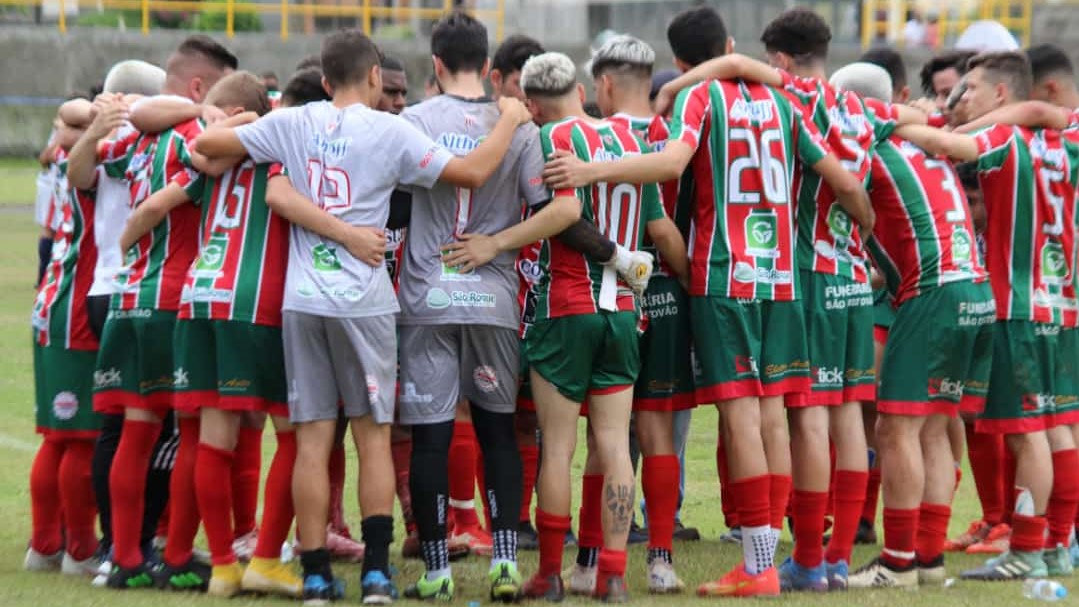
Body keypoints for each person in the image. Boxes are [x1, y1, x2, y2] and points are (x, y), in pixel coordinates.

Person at [194, 28, 534, 604]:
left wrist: (212, 115)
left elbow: (207, 149)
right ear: (376, 77)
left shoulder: (291, 122)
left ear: (324, 81)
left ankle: (319, 574)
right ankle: (376, 572)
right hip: (365, 299)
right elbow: (473, 173)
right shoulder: (392, 129)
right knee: (373, 439)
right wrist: (509, 120)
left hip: (304, 299)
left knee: (311, 441)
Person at [543, 5, 872, 596]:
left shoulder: (699, 100)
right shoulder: (786, 102)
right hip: (783, 282)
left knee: (709, 421)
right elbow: (843, 181)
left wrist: (591, 172)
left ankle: (752, 567)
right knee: (773, 417)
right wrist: (864, 229)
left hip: (717, 276)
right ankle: (774, 559)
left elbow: (671, 163)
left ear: (679, 63)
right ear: (726, 44)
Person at [652, 7, 924, 590]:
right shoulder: (856, 106)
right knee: (836, 415)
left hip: (790, 274)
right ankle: (828, 560)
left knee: (797, 419)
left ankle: (789, 560)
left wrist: (676, 87)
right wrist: (868, 238)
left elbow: (719, 87)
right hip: (830, 276)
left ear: (777, 59)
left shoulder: (793, 96)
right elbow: (895, 154)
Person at [444, 49, 678, 603]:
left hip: (565, 305)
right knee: (615, 445)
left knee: (558, 448)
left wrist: (494, 243)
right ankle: (612, 573)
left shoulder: (554, 138)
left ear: (530, 103)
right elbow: (654, 224)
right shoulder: (628, 142)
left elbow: (566, 213)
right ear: (581, 86)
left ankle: (551, 573)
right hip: (623, 308)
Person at [65, 34, 238, 591]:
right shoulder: (195, 135)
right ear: (200, 88)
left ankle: (125, 558)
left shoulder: (136, 138)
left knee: (135, 435)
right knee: (188, 436)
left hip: (127, 296)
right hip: (174, 300)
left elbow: (82, 170)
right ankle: (179, 553)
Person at [898, 50, 1079, 580]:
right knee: (1059, 427)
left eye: (968, 89)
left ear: (1001, 94)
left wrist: (894, 128)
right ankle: (1056, 544)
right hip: (1063, 305)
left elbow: (951, 146)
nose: (960, 99)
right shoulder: (1067, 141)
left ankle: (1026, 550)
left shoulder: (1006, 138)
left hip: (1017, 308)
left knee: (1027, 434)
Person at [392, 13, 547, 601]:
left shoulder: (410, 120)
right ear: (487, 67)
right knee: (498, 433)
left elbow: (396, 207)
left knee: (431, 438)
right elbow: (541, 208)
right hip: (493, 297)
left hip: (427, 296)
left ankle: (436, 572)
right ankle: (506, 561)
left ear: (434, 65)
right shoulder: (519, 126)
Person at [831, 61, 998, 590]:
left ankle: (898, 560)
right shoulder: (927, 141)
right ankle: (927, 557)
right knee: (932, 425)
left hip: (934, 290)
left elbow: (851, 199)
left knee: (895, 426)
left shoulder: (869, 147)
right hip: (973, 285)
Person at [567, 34, 692, 595]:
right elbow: (665, 228)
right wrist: (690, 281)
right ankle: (660, 560)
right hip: (662, 290)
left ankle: (590, 559)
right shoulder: (670, 134)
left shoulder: (590, 135)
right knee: (654, 428)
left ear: (606, 84)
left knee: (605, 438)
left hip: (602, 291)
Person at [25, 103, 102, 579]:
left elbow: (65, 121)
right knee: (79, 438)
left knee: (60, 437)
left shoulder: (62, 151)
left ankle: (46, 544)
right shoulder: (86, 153)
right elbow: (70, 115)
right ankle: (77, 548)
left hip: (55, 300)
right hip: (72, 306)